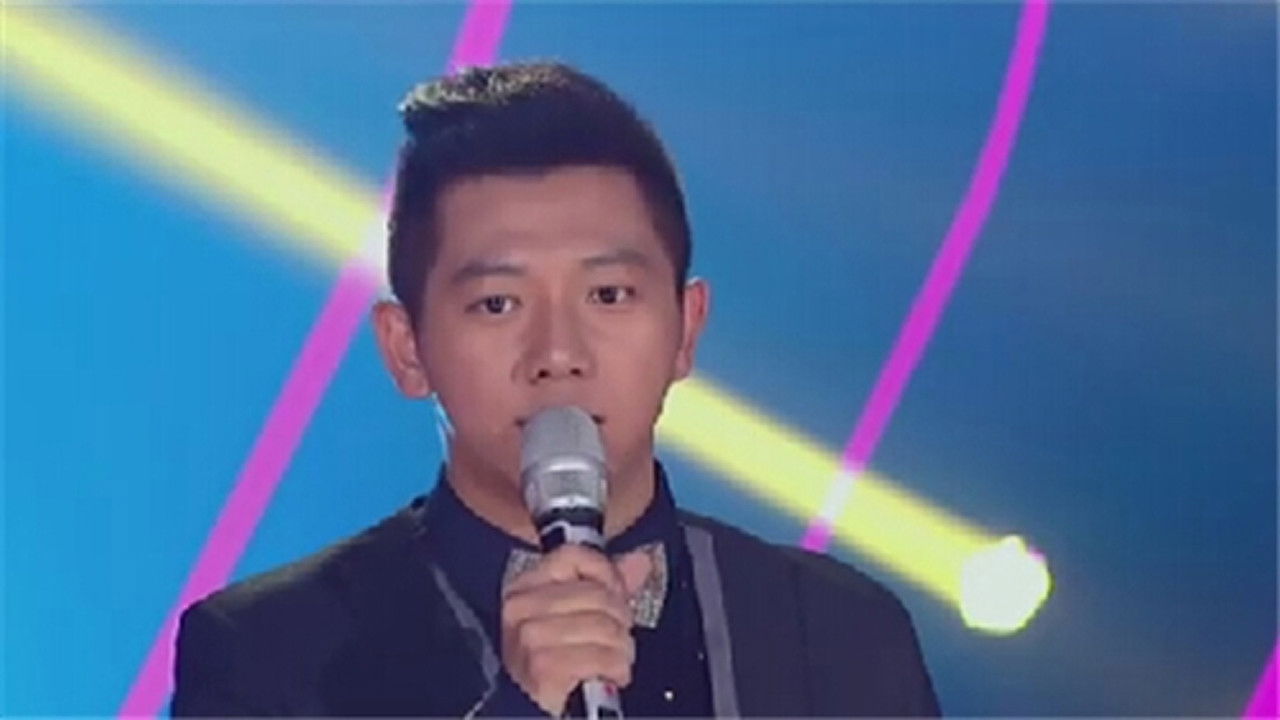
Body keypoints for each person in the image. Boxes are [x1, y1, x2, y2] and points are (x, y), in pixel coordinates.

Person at [170, 61, 941, 717]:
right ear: (407, 349)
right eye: (497, 304)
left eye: (608, 295)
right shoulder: (264, 653)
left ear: (687, 328)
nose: (559, 354)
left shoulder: (841, 630)